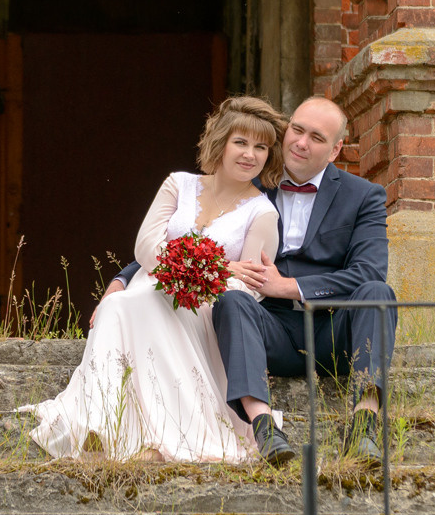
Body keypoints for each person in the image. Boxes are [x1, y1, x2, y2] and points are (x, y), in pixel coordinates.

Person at [97, 96, 396, 468]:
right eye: (297, 130)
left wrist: (288, 287)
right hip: (263, 329)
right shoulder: (250, 180)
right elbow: (194, 237)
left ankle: (364, 424)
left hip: (333, 331)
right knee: (233, 300)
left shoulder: (363, 195)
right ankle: (265, 429)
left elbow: (369, 271)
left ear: (335, 149)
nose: (301, 143)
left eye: (317, 138)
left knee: (378, 293)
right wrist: (124, 278)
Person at [20, 97, 286, 463]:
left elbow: (246, 288)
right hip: (151, 287)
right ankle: (104, 427)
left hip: (202, 310)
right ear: (221, 143)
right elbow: (146, 246)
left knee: (142, 305)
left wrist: (199, 275)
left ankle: (160, 435)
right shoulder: (179, 184)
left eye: (261, 147)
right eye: (241, 142)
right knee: (117, 304)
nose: (250, 155)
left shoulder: (263, 212)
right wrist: (220, 267)